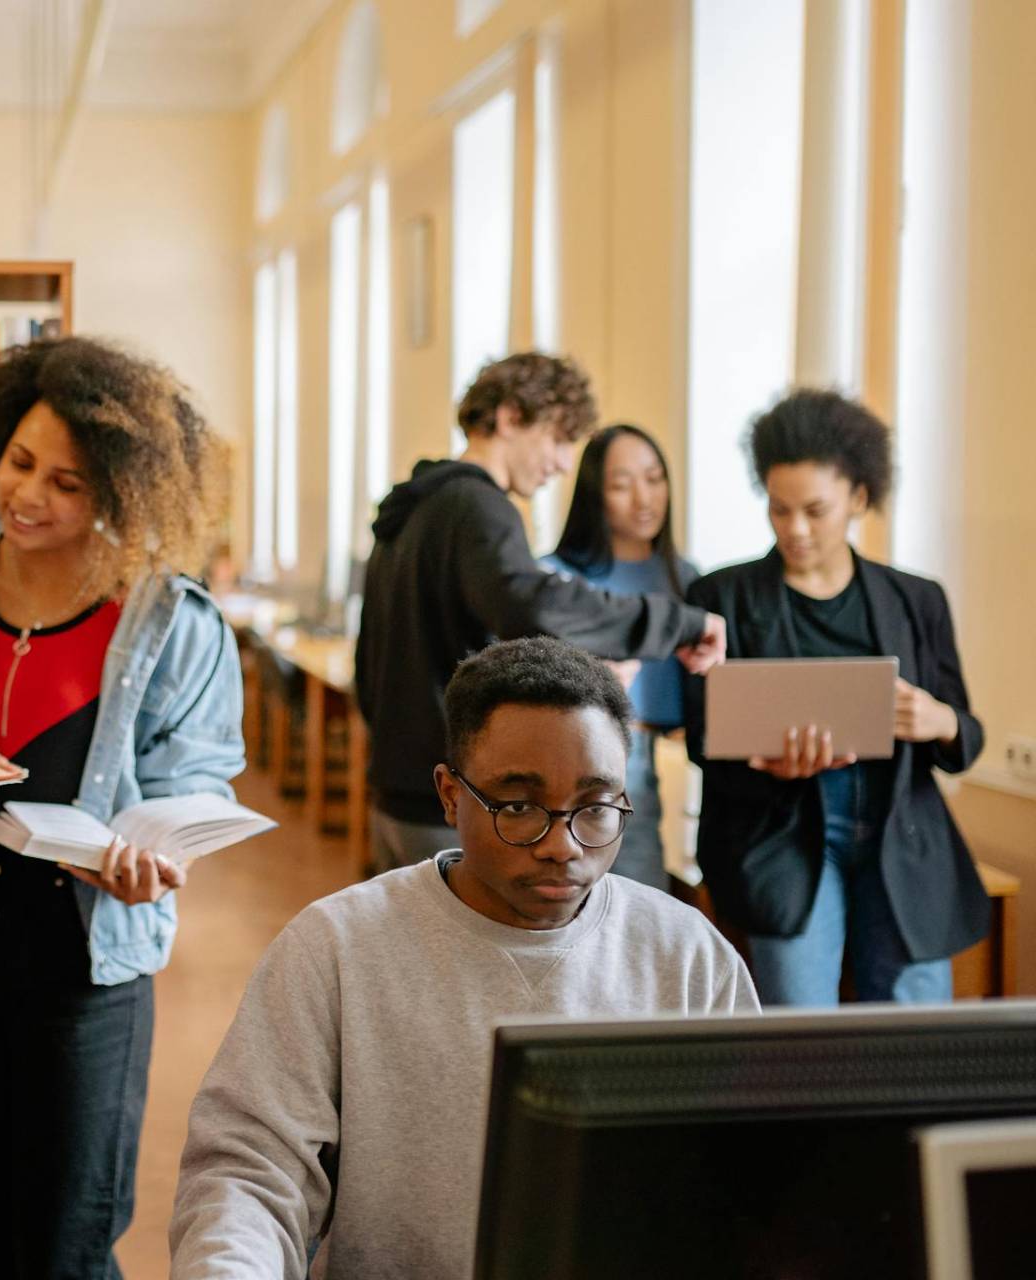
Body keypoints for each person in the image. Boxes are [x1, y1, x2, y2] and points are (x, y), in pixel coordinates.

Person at [169, 637, 758, 1279]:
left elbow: (749, 1179)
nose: (563, 846)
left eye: (594, 808)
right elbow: (252, 1172)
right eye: (519, 807)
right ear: (450, 795)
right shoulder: (337, 947)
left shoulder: (687, 956)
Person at [0, 336, 244, 1280]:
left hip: (90, 962)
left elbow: (199, 785)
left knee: (68, 1242)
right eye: (20, 463)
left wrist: (159, 857)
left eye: (66, 483)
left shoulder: (170, 618)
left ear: (117, 493)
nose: (27, 495)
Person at [355, 352, 726, 873]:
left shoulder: (412, 511)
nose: (563, 462)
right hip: (450, 803)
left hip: (396, 793)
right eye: (557, 438)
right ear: (510, 417)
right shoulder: (478, 506)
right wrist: (679, 623)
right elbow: (536, 604)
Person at [685, 390, 987, 1006]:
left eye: (815, 511)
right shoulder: (721, 596)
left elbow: (966, 738)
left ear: (859, 498)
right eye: (779, 509)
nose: (795, 529)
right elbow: (701, 737)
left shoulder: (917, 599)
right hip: (783, 837)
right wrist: (766, 764)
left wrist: (940, 719)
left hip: (900, 836)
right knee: (798, 1024)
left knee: (914, 1029)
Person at [542, 423, 699, 891]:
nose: (643, 498)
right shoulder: (556, 579)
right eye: (621, 485)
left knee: (641, 903)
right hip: (575, 759)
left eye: (654, 478)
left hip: (655, 760)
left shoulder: (685, 578)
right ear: (594, 495)